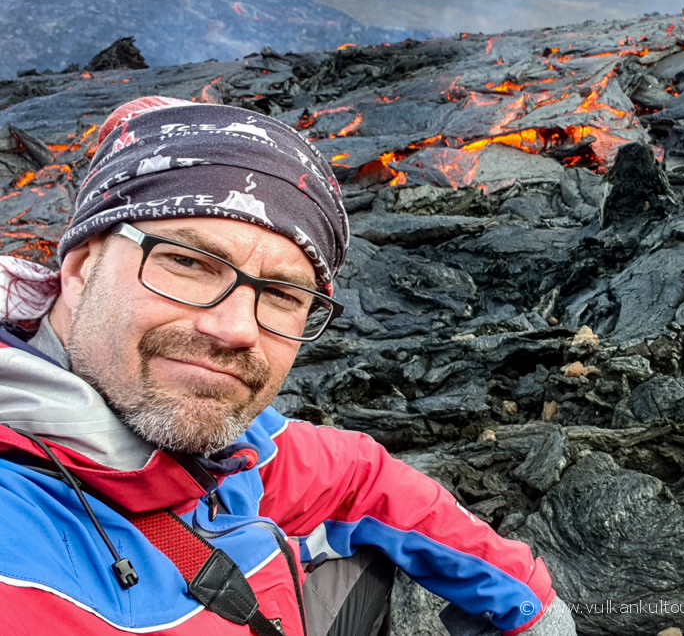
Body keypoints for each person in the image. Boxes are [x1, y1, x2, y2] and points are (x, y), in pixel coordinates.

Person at [0, 96, 576, 636]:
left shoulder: (227, 438)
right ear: (79, 267)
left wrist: (530, 600)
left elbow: (358, 475)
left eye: (281, 294)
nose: (235, 330)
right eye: (188, 263)